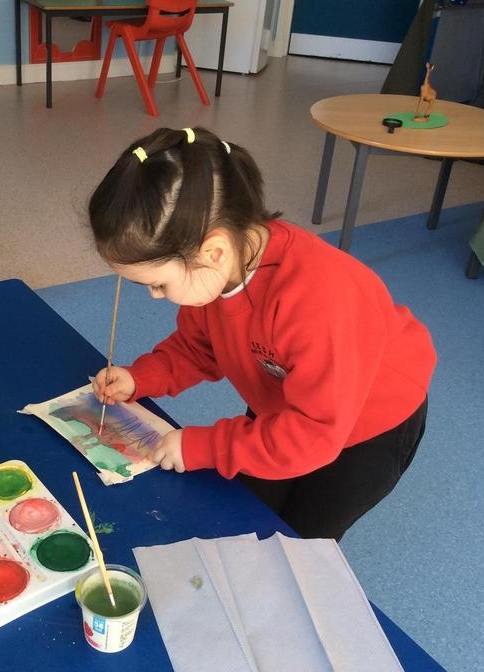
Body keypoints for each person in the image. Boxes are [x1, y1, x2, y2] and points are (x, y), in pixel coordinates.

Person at [88, 127, 436, 541]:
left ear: (213, 252)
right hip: (287, 401)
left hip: (366, 429)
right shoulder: (217, 269)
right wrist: (140, 378)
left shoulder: (317, 300)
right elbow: (199, 347)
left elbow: (311, 435)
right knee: (248, 515)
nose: (154, 295)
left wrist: (205, 447)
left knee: (302, 538)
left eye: (159, 284)